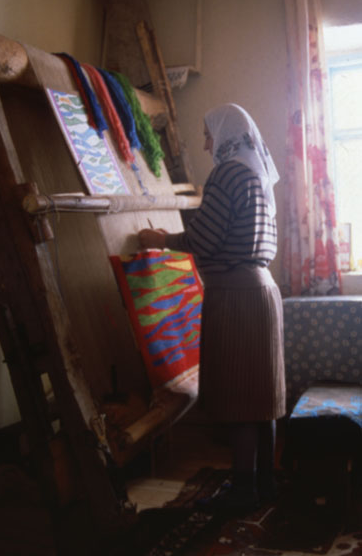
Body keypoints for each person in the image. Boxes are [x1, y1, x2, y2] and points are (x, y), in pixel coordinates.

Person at [138, 103, 286, 511]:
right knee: (262, 398)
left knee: (240, 399)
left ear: (226, 135)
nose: (206, 145)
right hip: (263, 292)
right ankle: (265, 484)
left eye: (208, 135)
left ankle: (242, 492)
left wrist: (161, 240)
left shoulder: (227, 174)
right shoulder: (257, 174)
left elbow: (204, 238)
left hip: (236, 295)